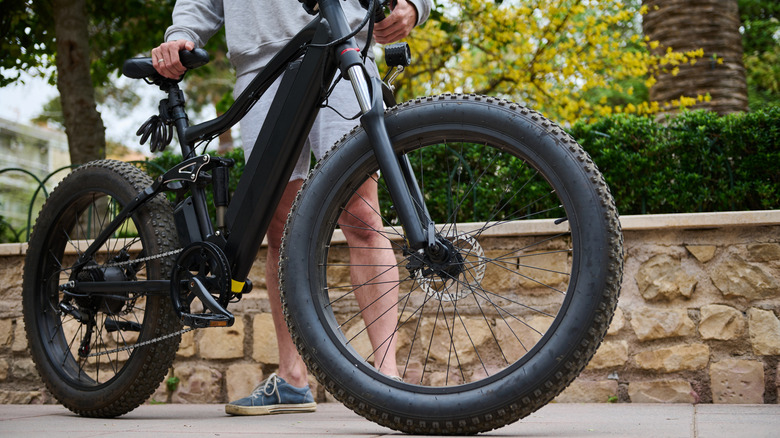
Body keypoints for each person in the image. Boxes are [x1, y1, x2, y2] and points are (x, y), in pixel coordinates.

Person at [152, 0, 432, 416]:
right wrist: (181, 33)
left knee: (362, 219)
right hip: (261, 65)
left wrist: (414, 5)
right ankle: (291, 378)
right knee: (279, 229)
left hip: (343, 49)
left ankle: (386, 377)